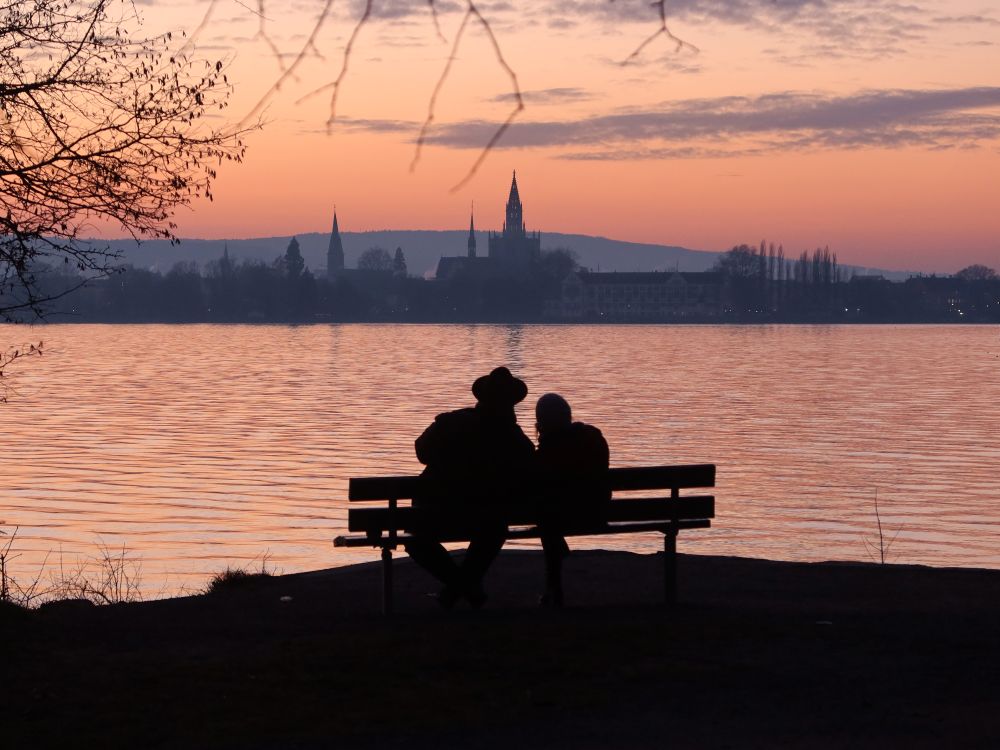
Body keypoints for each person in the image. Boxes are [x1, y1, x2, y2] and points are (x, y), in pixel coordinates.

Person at [405, 366, 534, 607]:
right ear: (511, 403)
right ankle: (466, 587)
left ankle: (458, 587)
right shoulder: (513, 437)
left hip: (437, 512)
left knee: (416, 540)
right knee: (495, 530)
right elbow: (529, 470)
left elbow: (421, 451)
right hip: (486, 517)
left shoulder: (451, 422)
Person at [533, 393, 610, 607]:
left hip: (561, 519)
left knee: (548, 519)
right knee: (550, 515)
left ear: (542, 422)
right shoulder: (594, 438)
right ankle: (554, 577)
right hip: (597, 514)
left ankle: (554, 588)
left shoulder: (548, 452)